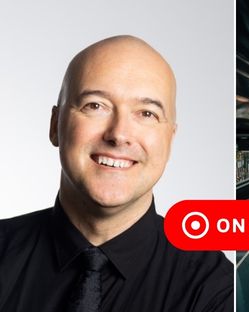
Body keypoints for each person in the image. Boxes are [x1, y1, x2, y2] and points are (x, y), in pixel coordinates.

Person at [0, 35, 233, 311]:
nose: (119, 134)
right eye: (95, 106)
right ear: (55, 125)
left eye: (146, 113)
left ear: (170, 140)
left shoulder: (216, 290)